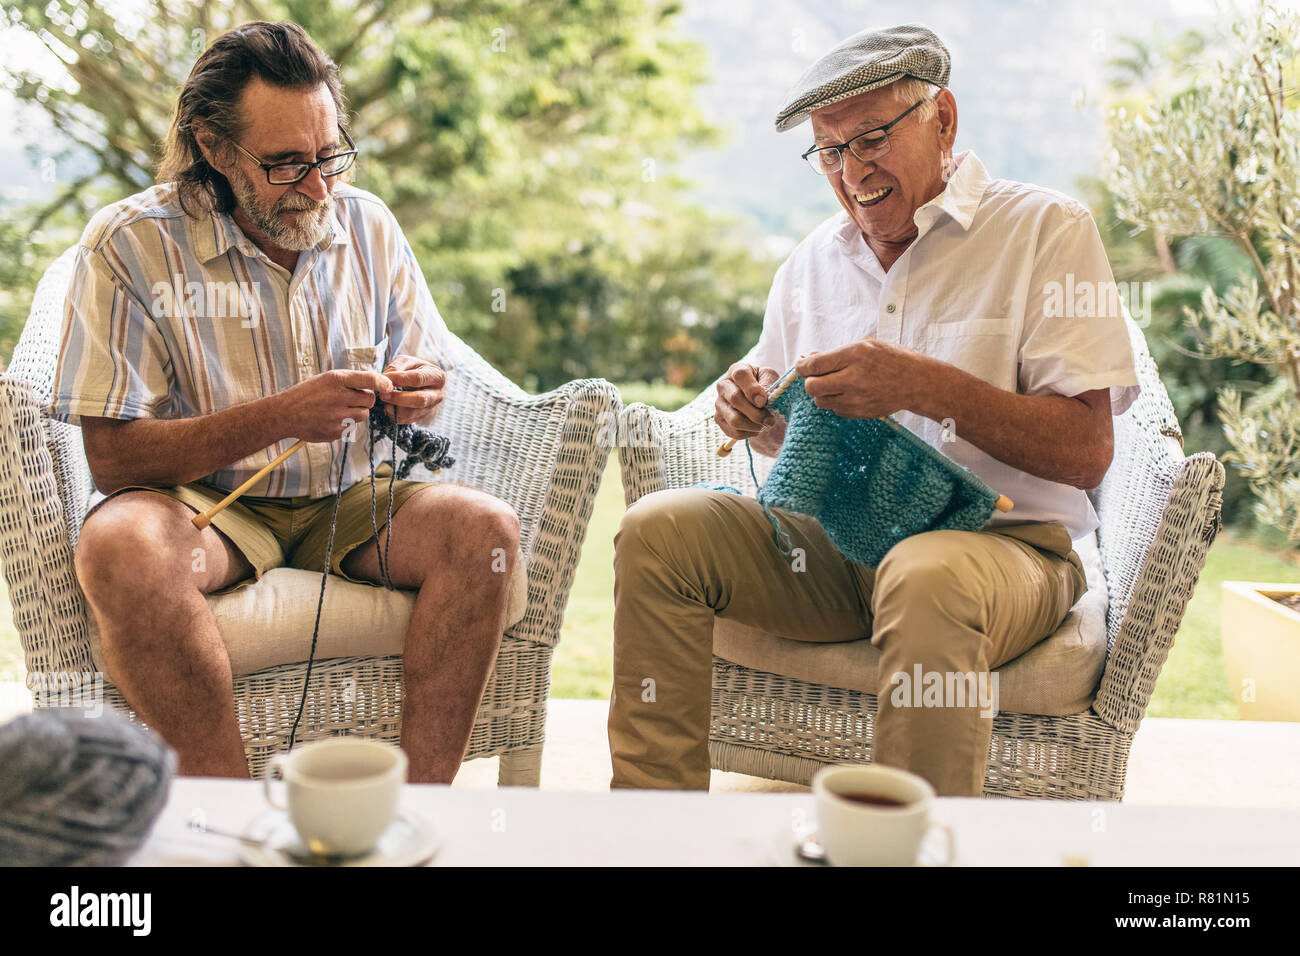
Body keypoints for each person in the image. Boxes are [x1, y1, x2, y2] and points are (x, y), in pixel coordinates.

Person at [608, 23, 1140, 795]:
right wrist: (760, 418)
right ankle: (651, 825)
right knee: (657, 531)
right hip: (840, 546)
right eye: (829, 151)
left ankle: (907, 843)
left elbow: (1088, 451)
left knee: (928, 575)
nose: (851, 171)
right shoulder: (811, 264)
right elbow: (796, 439)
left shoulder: (1046, 231)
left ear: (943, 120)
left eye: (871, 138)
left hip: (1005, 546)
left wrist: (921, 384)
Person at [51, 20, 520, 783]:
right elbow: (113, 459)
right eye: (286, 164)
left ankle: (416, 815)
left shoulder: (368, 223)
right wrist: (279, 415)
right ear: (214, 148)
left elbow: (429, 362)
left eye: (329, 154)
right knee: (120, 545)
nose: (318, 186)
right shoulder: (128, 245)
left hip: (358, 497)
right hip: (207, 511)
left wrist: (420, 388)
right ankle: (229, 811)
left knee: (484, 532)